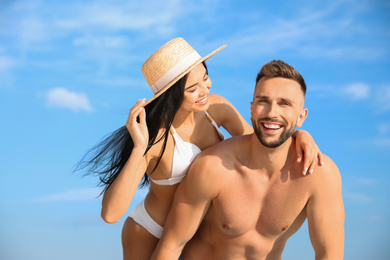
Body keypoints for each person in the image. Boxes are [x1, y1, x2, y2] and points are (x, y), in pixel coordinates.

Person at [76, 38, 323, 260]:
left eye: (205, 78)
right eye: (192, 88)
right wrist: (139, 147)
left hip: (195, 228)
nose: (205, 90)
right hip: (152, 231)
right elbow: (110, 214)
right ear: (171, 95)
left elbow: (260, 140)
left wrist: (301, 133)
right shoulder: (156, 141)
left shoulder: (217, 109)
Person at [151, 60, 344, 260]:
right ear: (251, 110)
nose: (271, 112)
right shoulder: (212, 166)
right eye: (263, 101)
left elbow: (329, 254)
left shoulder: (319, 173)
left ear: (301, 117)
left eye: (284, 104)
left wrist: (300, 135)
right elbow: (171, 247)